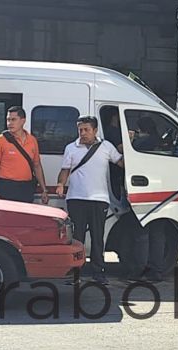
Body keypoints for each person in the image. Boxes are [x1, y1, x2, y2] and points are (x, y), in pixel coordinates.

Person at [56, 116, 123, 284]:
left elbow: (121, 162)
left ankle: (98, 272)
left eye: (86, 130)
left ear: (95, 131)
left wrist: (131, 147)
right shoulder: (71, 148)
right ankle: (76, 272)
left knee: (97, 237)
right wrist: (60, 184)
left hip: (99, 199)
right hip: (76, 198)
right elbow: (65, 170)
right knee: (77, 237)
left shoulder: (106, 147)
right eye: (80, 130)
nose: (83, 133)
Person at [0, 106, 49, 204]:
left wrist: (44, 189)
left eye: (13, 120)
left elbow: (37, 166)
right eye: (8, 120)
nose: (10, 123)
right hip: (6, 186)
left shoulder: (32, 140)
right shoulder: (0, 140)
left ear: (23, 121)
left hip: (26, 188)